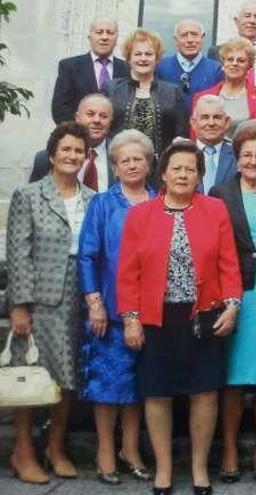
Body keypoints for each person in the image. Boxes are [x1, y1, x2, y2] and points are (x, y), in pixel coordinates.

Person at [116, 140, 242, 495]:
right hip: (157, 318)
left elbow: (229, 264)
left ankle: (200, 469)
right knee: (157, 393)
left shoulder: (215, 209)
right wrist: (131, 318)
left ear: (200, 175)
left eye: (191, 168)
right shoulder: (140, 215)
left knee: (204, 392)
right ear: (164, 174)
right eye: (177, 168)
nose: (183, 174)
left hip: (203, 315)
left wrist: (232, 306)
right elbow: (127, 272)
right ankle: (164, 470)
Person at [7, 122, 95, 484]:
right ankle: (23, 450)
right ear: (53, 153)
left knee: (68, 374)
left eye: (79, 151)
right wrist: (19, 305)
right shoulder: (28, 195)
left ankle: (55, 447)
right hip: (40, 299)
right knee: (30, 374)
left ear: (86, 157)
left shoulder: (92, 198)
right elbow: (18, 252)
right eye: (66, 149)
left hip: (81, 294)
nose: (72, 156)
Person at [208, 126, 256, 485]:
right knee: (234, 377)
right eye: (247, 155)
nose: (254, 161)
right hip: (234, 294)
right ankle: (228, 448)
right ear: (236, 159)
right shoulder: (219, 194)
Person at [78, 129, 157, 485]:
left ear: (150, 162)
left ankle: (131, 449)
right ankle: (106, 451)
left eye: (138, 158)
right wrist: (93, 302)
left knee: (139, 386)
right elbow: (88, 255)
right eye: (124, 159)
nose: (132, 164)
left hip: (153, 311)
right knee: (108, 386)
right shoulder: (102, 204)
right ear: (114, 165)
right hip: (109, 313)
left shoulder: (161, 199)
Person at [104, 28, 189, 172]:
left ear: (157, 59)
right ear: (129, 59)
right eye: (138, 54)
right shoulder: (111, 89)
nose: (143, 58)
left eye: (149, 54)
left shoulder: (172, 91)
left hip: (160, 169)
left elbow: (181, 134)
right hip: (119, 167)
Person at [31, 94, 118, 192]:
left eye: (103, 116)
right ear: (77, 117)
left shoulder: (120, 157)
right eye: (90, 114)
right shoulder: (45, 159)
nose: (97, 120)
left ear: (111, 121)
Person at [51, 17, 128, 123]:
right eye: (99, 32)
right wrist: (78, 134)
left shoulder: (127, 69)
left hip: (116, 138)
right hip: (80, 135)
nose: (104, 37)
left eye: (110, 33)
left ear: (116, 38)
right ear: (89, 37)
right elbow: (60, 109)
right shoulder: (70, 67)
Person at [192, 38, 256, 139]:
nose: (234, 63)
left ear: (249, 66)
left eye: (241, 60)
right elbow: (195, 136)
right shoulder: (202, 97)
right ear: (223, 63)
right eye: (230, 59)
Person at [155, 20, 223, 110]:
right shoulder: (160, 67)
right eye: (184, 35)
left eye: (194, 34)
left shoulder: (216, 69)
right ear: (176, 40)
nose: (190, 40)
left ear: (202, 38)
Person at [190, 95, 238, 191]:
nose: (211, 123)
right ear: (193, 123)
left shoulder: (238, 155)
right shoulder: (181, 155)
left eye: (217, 117)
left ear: (227, 122)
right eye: (204, 118)